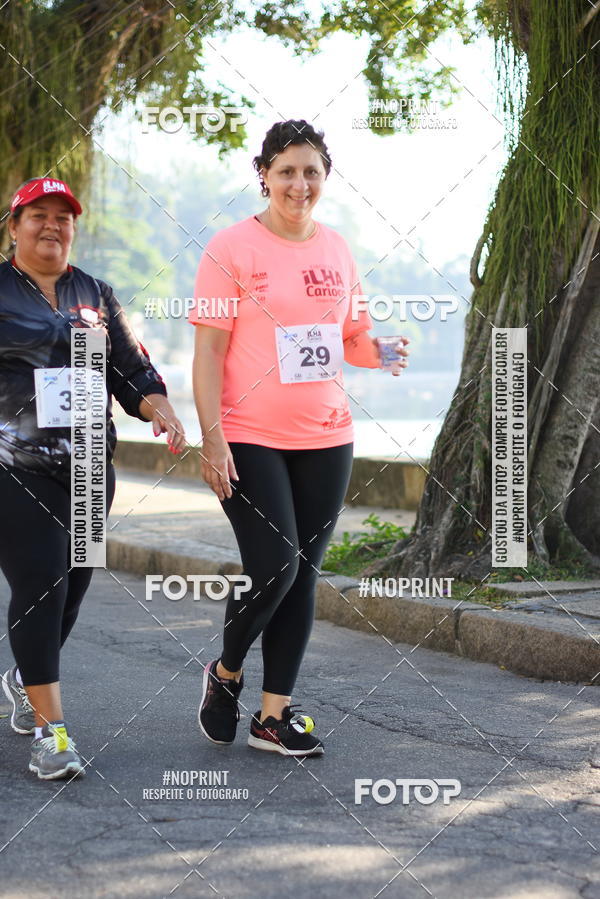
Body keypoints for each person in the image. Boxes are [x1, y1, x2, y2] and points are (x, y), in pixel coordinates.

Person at [190, 120, 409, 758]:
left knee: (304, 575)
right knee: (275, 567)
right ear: (264, 175)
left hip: (327, 437)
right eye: (286, 170)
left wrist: (380, 350)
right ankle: (225, 671)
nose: (299, 183)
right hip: (248, 435)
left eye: (311, 171)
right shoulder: (230, 247)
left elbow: (349, 337)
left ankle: (273, 717)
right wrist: (212, 439)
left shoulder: (337, 249)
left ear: (325, 177)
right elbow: (208, 352)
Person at [0, 177, 186, 779]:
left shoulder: (95, 293)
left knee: (73, 589)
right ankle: (51, 735)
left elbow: (130, 370)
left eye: (63, 217)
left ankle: (25, 679)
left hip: (87, 467)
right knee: (43, 585)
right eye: (38, 215)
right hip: (15, 466)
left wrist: (159, 407)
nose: (52, 226)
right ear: (14, 226)